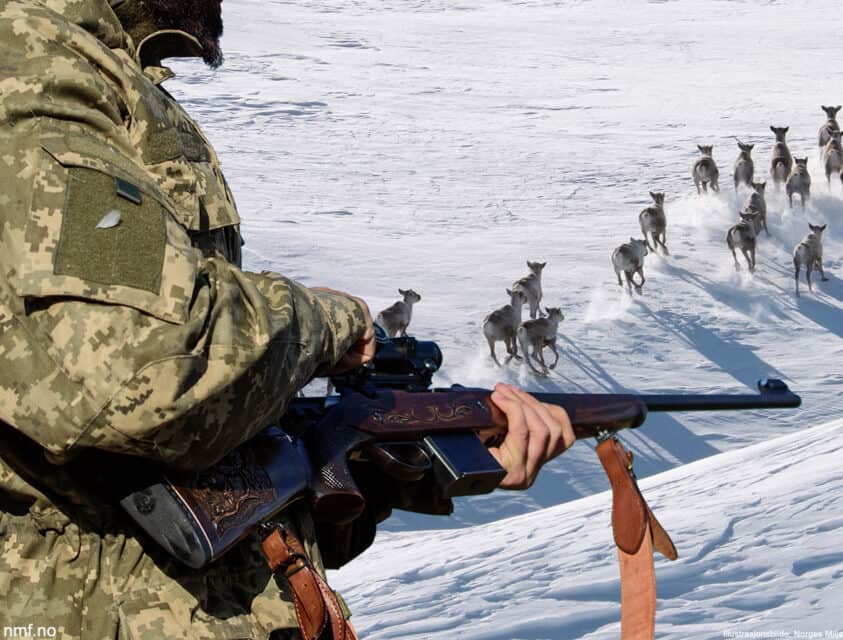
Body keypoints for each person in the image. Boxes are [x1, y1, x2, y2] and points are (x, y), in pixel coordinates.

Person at [0, 0, 576, 637]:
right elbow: (145, 369)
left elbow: (182, 475)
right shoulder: (32, 56)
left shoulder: (106, 74)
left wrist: (403, 465)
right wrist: (331, 321)